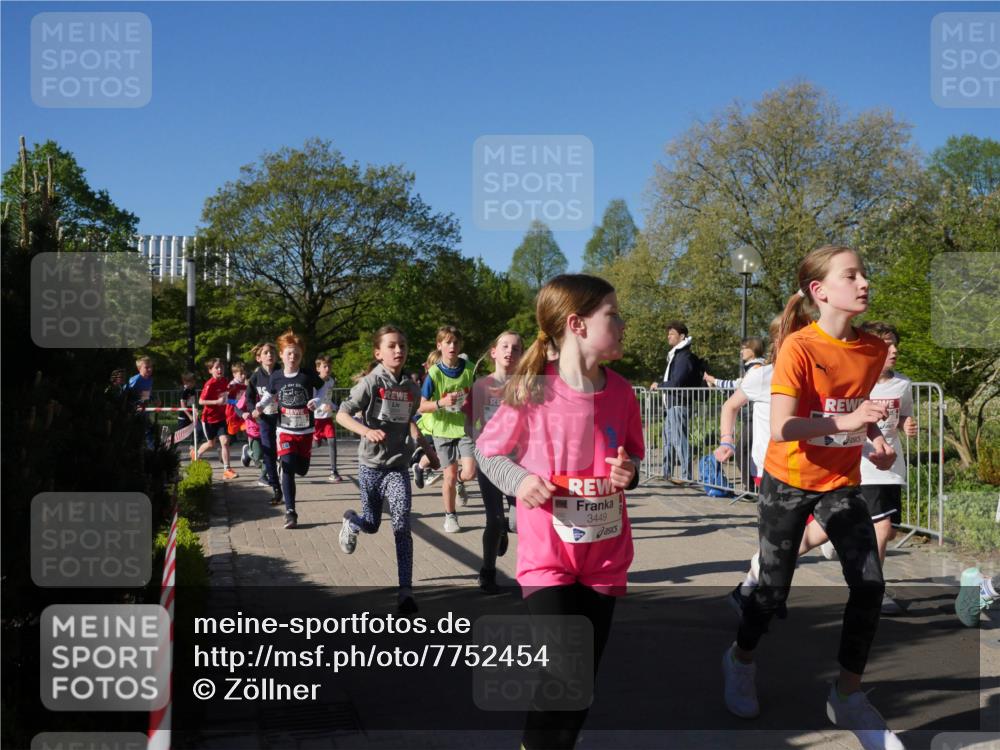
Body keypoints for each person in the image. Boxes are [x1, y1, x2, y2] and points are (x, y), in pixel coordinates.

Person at [721, 245, 904, 750]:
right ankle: (740, 659)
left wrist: (875, 441)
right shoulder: (799, 348)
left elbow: (858, 413)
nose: (865, 282)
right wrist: (844, 422)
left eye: (865, 273)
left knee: (869, 585)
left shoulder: (869, 351)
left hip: (841, 484)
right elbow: (783, 426)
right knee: (773, 591)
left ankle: (847, 695)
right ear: (821, 292)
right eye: (852, 275)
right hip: (789, 480)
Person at [475, 274, 644, 750]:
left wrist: (629, 472)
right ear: (577, 324)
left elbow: (634, 459)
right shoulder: (533, 390)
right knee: (565, 667)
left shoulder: (623, 393)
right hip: (549, 558)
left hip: (605, 558)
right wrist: (522, 481)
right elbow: (490, 453)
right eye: (612, 314)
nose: (623, 323)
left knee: (579, 682)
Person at [336, 325, 440, 614]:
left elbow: (410, 422)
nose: (398, 350)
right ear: (378, 353)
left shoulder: (411, 388)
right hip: (370, 465)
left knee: (401, 525)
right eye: (392, 346)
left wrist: (429, 451)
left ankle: (405, 591)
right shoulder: (370, 383)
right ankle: (351, 521)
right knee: (371, 523)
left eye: (403, 346)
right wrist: (365, 431)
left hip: (397, 467)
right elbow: (341, 414)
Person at [466, 330, 524, 594]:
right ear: (494, 352)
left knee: (518, 522)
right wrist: (472, 450)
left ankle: (507, 536)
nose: (510, 351)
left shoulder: (527, 385)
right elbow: (470, 422)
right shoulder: (481, 386)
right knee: (495, 519)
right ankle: (488, 571)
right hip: (490, 461)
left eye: (516, 347)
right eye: (504, 346)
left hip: (520, 463)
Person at [252, 330, 327, 529]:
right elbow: (269, 395)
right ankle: (290, 512)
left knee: (301, 470)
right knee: (288, 468)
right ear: (282, 355)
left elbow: (325, 386)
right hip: (284, 430)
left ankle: (290, 465)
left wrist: (317, 400)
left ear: (301, 356)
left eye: (296, 354)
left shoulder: (307, 374)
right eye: (289, 353)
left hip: (305, 431)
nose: (292, 357)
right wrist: (259, 406)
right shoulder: (276, 376)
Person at [418, 326, 477, 533]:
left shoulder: (470, 368)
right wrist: (441, 403)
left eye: (456, 343)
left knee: (469, 472)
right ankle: (450, 516)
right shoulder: (434, 373)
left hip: (464, 427)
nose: (452, 346)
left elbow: (478, 396)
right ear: (439, 345)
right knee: (449, 476)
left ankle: (461, 483)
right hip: (443, 429)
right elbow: (421, 405)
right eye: (448, 342)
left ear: (460, 346)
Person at [650, 321, 703, 483]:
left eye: (672, 333)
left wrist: (659, 385)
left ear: (682, 336)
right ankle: (667, 473)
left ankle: (687, 477)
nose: (668, 336)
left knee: (680, 440)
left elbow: (677, 382)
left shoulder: (684, 356)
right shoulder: (676, 355)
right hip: (672, 404)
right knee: (669, 440)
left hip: (679, 403)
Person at [247, 342, 282, 504]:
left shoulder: (282, 372)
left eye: (272, 353)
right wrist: (254, 409)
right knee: (269, 453)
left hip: (283, 418)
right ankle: (276, 488)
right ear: (258, 358)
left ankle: (284, 476)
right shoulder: (255, 377)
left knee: (284, 454)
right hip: (266, 419)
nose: (270, 355)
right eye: (266, 353)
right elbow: (248, 397)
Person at [193, 358, 237, 480]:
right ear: (210, 370)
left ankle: (227, 469)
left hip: (222, 418)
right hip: (208, 419)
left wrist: (235, 398)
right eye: (216, 367)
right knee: (211, 444)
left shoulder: (224, 381)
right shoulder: (209, 384)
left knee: (225, 442)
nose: (219, 369)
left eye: (221, 367)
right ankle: (196, 454)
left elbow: (226, 398)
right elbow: (201, 401)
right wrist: (216, 402)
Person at [313, 354, 342, 482]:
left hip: (327, 419)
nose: (328, 369)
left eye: (329, 366)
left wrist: (335, 407)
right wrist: (320, 408)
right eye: (325, 366)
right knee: (316, 444)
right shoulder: (314, 382)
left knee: (332, 442)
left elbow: (328, 400)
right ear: (318, 368)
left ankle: (333, 471)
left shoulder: (331, 381)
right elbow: (312, 402)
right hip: (315, 419)